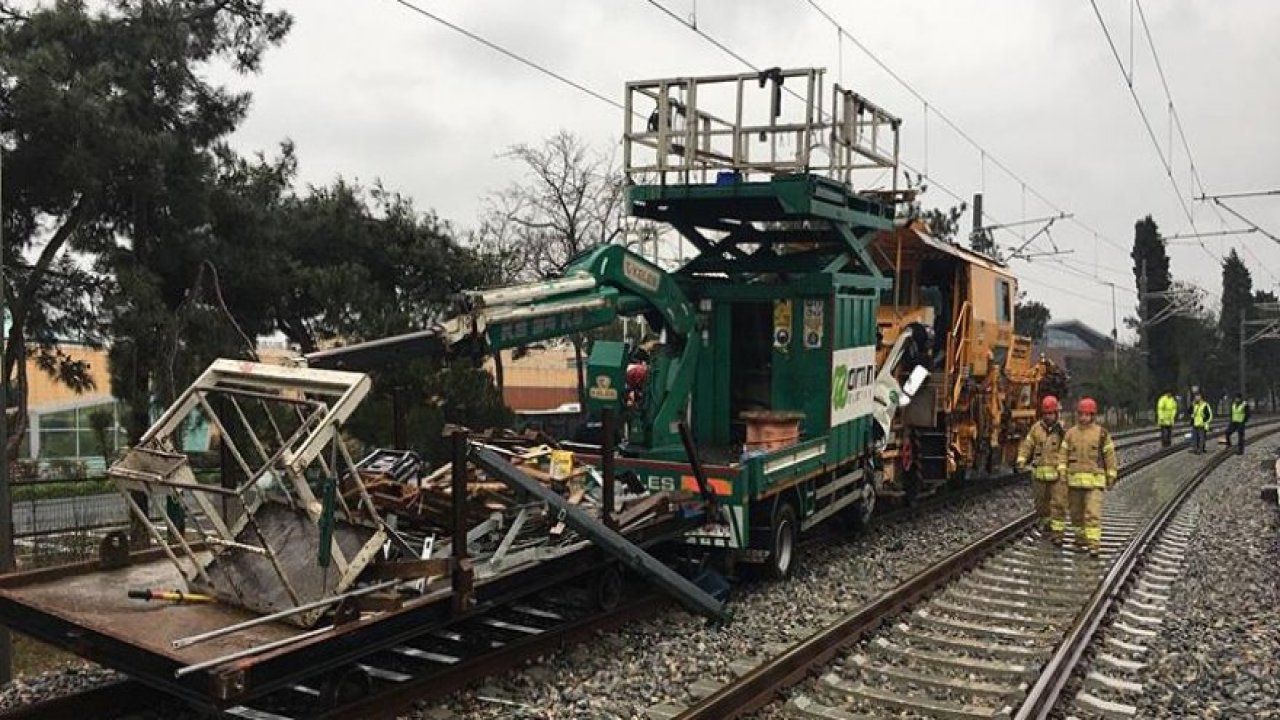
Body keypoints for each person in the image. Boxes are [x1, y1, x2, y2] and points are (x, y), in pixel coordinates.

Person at [1058, 397, 1118, 557]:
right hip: (1074, 482)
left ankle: (1094, 545)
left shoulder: (1101, 434)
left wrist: (1111, 475)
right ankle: (1080, 540)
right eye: (1081, 414)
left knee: (1092, 513)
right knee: (1076, 515)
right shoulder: (1070, 434)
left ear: (1093, 415)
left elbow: (1110, 456)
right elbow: (1063, 454)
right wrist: (1062, 471)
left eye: (1087, 414)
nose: (1083, 417)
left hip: (1094, 483)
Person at [1017, 395, 1067, 544]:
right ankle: (1047, 527)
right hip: (1039, 475)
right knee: (1041, 506)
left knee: (1058, 505)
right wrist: (1021, 459)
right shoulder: (1036, 429)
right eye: (1046, 413)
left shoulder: (1062, 431)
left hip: (1057, 475)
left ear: (1056, 414)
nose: (1048, 416)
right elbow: (1028, 445)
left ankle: (1058, 535)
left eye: (1051, 413)